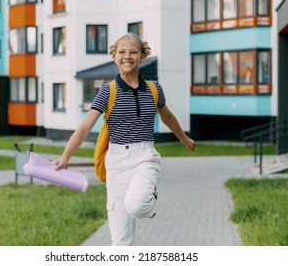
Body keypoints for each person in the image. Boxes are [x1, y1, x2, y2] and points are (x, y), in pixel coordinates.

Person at [53, 33, 196, 246]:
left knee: (137, 205)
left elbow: (166, 115)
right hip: (116, 162)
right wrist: (65, 158)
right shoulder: (107, 91)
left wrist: (184, 138)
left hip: (144, 156)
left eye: (133, 52)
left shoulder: (154, 89)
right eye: (121, 52)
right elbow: (84, 127)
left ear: (142, 56)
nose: (126, 56)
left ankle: (149, 199)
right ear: (114, 56)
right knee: (121, 242)